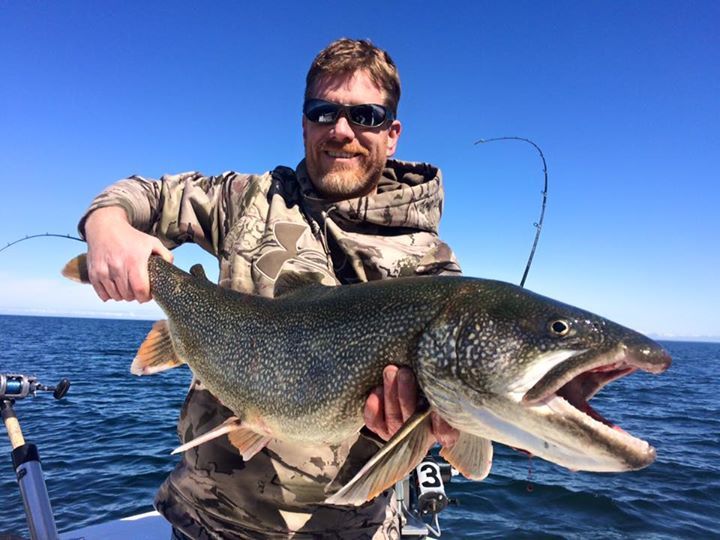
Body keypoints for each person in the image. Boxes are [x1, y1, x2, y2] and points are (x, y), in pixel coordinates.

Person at [80, 38, 461, 539]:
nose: (342, 130)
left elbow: (463, 431)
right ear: (304, 123)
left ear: (391, 134)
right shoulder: (250, 199)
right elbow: (147, 195)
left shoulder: (432, 270)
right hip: (204, 524)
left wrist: (444, 430)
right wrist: (107, 225)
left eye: (365, 115)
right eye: (323, 112)